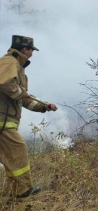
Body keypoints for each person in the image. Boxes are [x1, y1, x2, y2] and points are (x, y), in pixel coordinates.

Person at [0, 35, 58, 198]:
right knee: (18, 151)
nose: (32, 53)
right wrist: (21, 94)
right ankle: (23, 190)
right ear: (24, 49)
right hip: (3, 121)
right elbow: (4, 84)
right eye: (31, 49)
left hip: (5, 121)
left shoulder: (18, 67)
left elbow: (22, 99)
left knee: (11, 157)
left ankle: (16, 191)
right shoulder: (9, 62)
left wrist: (44, 106)